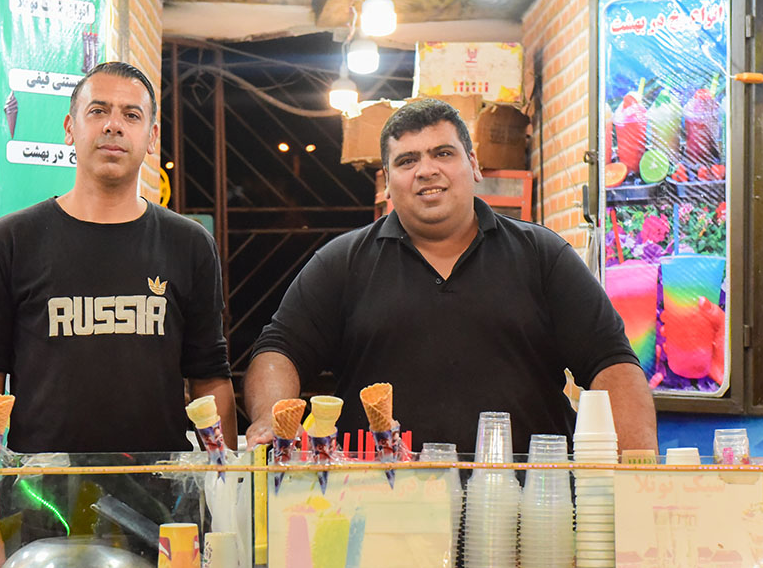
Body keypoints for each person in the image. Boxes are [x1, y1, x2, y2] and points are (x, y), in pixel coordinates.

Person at [244, 98, 656, 455]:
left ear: (473, 165)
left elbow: (611, 363)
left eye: (443, 153)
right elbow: (279, 350)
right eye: (407, 161)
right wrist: (269, 419)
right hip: (378, 500)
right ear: (386, 183)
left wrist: (636, 472)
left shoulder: (543, 255)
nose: (426, 170)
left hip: (529, 501)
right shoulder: (341, 263)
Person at [0, 62, 236, 568]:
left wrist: (227, 500)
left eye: (131, 115)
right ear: (70, 128)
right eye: (98, 111)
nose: (113, 125)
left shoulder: (189, 244)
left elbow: (211, 379)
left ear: (151, 138)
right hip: (41, 500)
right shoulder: (12, 241)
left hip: (163, 502)